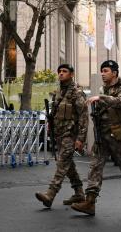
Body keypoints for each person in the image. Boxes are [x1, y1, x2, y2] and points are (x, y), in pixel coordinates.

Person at [71, 60, 121, 216]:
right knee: (95, 167)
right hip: (102, 136)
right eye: (101, 71)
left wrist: (101, 98)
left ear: (114, 73)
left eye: (106, 71)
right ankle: (90, 202)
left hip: (119, 136)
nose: (103, 74)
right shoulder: (103, 89)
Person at [35, 64, 88, 208]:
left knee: (62, 163)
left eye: (64, 71)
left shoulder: (77, 93)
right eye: (59, 71)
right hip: (59, 134)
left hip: (70, 134)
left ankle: (50, 194)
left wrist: (80, 139)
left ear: (71, 74)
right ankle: (79, 193)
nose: (61, 74)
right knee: (68, 165)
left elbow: (83, 116)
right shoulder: (59, 91)